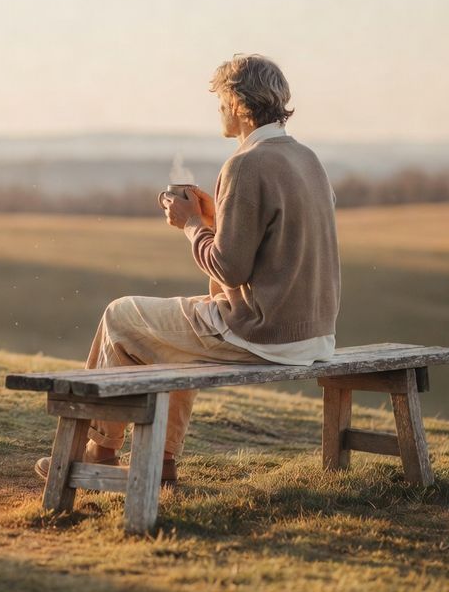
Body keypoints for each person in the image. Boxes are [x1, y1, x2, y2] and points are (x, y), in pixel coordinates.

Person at [35, 54, 341, 485]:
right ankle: (158, 463)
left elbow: (229, 269)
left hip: (265, 334)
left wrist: (191, 224)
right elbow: (279, 244)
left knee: (119, 315)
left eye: (220, 101)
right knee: (170, 338)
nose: (218, 109)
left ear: (238, 103)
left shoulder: (245, 164)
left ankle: (100, 451)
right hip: (316, 334)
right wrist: (217, 220)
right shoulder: (308, 159)